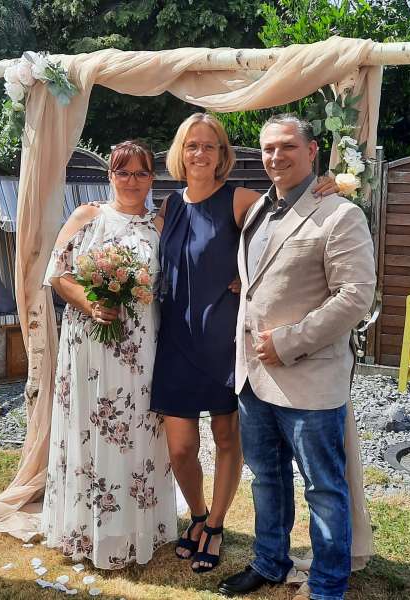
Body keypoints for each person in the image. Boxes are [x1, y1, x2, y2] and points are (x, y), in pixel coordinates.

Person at [150, 113, 337, 573]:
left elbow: (289, 218)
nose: (200, 153)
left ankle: (215, 525)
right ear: (180, 152)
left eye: (209, 145)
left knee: (225, 437)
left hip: (224, 340)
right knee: (180, 448)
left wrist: (327, 185)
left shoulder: (240, 200)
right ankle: (196, 515)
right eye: (192, 145)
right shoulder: (168, 206)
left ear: (222, 153)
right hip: (174, 340)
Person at [218, 114, 376, 599]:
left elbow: (356, 296)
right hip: (253, 377)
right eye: (268, 148)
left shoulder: (339, 214)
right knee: (266, 479)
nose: (275, 156)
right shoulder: (258, 209)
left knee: (323, 488)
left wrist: (288, 341)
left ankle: (328, 585)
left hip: (309, 378)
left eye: (287, 146)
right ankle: (269, 562)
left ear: (312, 151)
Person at [41, 140, 177, 569]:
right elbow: (58, 274)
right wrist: (91, 304)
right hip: (89, 344)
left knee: (138, 430)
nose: (132, 181)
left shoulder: (161, 226)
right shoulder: (87, 217)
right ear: (110, 176)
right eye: (123, 172)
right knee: (90, 429)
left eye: (141, 173)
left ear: (152, 178)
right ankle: (86, 529)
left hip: (142, 347)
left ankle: (138, 528)